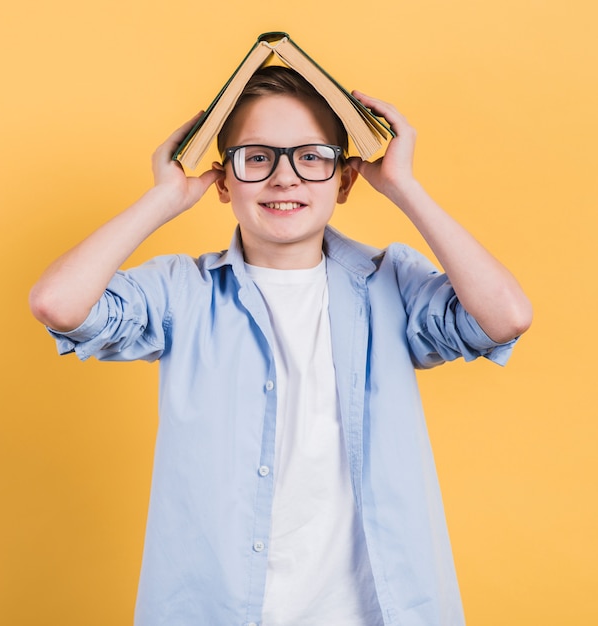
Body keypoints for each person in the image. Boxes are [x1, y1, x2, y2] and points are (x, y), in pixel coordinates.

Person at [29, 66, 532, 626]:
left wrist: (406, 188)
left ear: (344, 180)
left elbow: (506, 316)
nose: (284, 178)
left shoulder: (391, 282)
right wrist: (163, 198)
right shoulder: (181, 292)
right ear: (224, 181)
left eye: (312, 156)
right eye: (257, 157)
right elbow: (58, 303)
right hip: (217, 609)